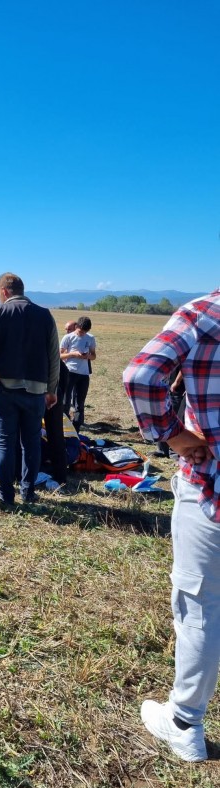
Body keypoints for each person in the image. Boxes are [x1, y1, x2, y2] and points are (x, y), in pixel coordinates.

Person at [123, 291, 220, 763]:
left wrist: (175, 436)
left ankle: (184, 722)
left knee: (200, 605)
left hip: (210, 490)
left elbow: (141, 375)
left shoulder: (208, 313)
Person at [0, 272, 60, 505]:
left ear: (4, 291)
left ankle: (6, 495)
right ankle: (28, 492)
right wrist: (51, 389)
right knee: (31, 442)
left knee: (4, 442)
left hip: (4, 389)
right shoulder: (45, 315)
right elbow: (54, 356)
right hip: (36, 391)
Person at [60, 316, 96, 432]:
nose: (82, 334)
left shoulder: (90, 338)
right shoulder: (68, 338)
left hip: (84, 375)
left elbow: (94, 356)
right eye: (81, 331)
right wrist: (73, 354)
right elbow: (59, 356)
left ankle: (76, 430)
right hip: (69, 372)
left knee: (80, 403)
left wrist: (87, 356)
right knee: (65, 401)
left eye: (85, 332)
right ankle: (63, 427)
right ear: (77, 327)